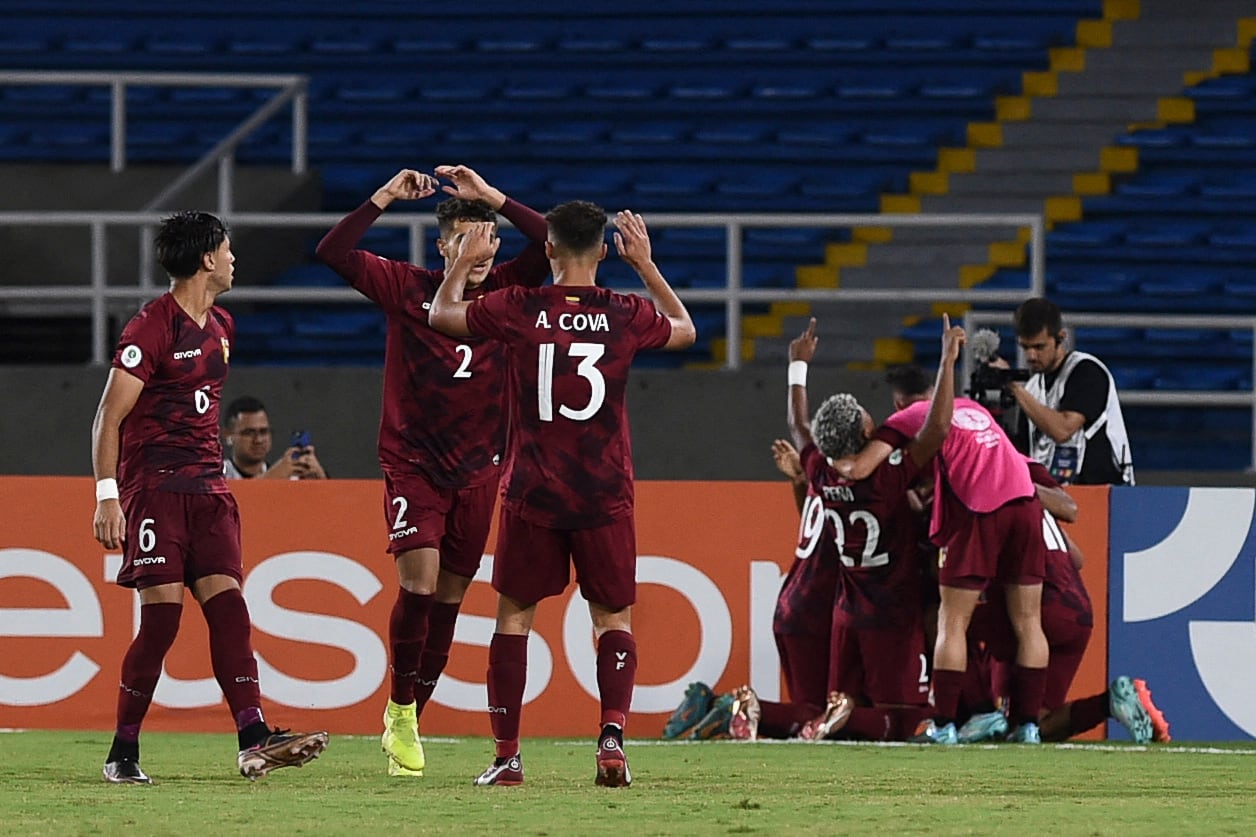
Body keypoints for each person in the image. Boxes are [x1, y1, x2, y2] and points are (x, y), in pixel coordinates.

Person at [429, 203, 696, 787]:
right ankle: (612, 741)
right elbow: (686, 329)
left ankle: (507, 757)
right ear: (604, 251)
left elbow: (442, 314)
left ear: (547, 250)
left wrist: (465, 263)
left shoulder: (519, 308)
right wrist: (647, 267)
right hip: (603, 492)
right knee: (612, 618)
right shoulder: (625, 313)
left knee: (514, 617)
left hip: (534, 490)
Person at [315, 165, 550, 777]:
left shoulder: (507, 290)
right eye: (464, 241)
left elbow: (558, 242)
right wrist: (385, 196)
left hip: (479, 472)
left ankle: (409, 717)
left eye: (486, 239)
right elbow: (331, 251)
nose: (478, 251)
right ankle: (398, 709)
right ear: (442, 244)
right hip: (413, 463)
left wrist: (495, 197)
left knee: (449, 600)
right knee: (417, 587)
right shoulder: (407, 287)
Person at [90, 211, 327, 785]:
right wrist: (107, 497)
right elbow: (108, 417)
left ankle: (253, 738)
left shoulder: (222, 324)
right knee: (163, 622)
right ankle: (122, 752)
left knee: (230, 610)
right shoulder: (151, 327)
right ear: (205, 259)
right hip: (156, 490)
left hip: (210, 490)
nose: (233, 258)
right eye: (226, 249)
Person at [834, 344, 1051, 745]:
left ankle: (944, 725)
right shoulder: (973, 407)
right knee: (1028, 623)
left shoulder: (910, 416)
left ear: (900, 402)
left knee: (951, 622)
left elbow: (861, 467)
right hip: (1024, 503)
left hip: (978, 509)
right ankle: (1028, 726)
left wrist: (829, 464)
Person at [770, 317, 959, 744]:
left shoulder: (819, 470)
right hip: (889, 613)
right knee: (902, 723)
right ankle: (824, 723)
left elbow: (799, 427)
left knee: (850, 709)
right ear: (863, 432)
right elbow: (938, 429)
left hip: (846, 612)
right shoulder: (885, 476)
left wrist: (796, 369)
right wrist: (948, 362)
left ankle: (826, 721)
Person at [997, 297, 1134, 486]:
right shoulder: (1032, 388)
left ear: (1060, 337)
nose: (1031, 356)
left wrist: (1013, 387)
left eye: (1039, 347)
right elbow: (1024, 452)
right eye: (1025, 347)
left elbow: (1062, 430)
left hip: (1103, 494)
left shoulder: (1087, 371)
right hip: (1055, 497)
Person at [221, 395, 327, 480]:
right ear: (228, 436)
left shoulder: (288, 477)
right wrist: (271, 480)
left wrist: (322, 480)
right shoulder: (214, 475)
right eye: (249, 433)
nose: (258, 440)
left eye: (264, 432)